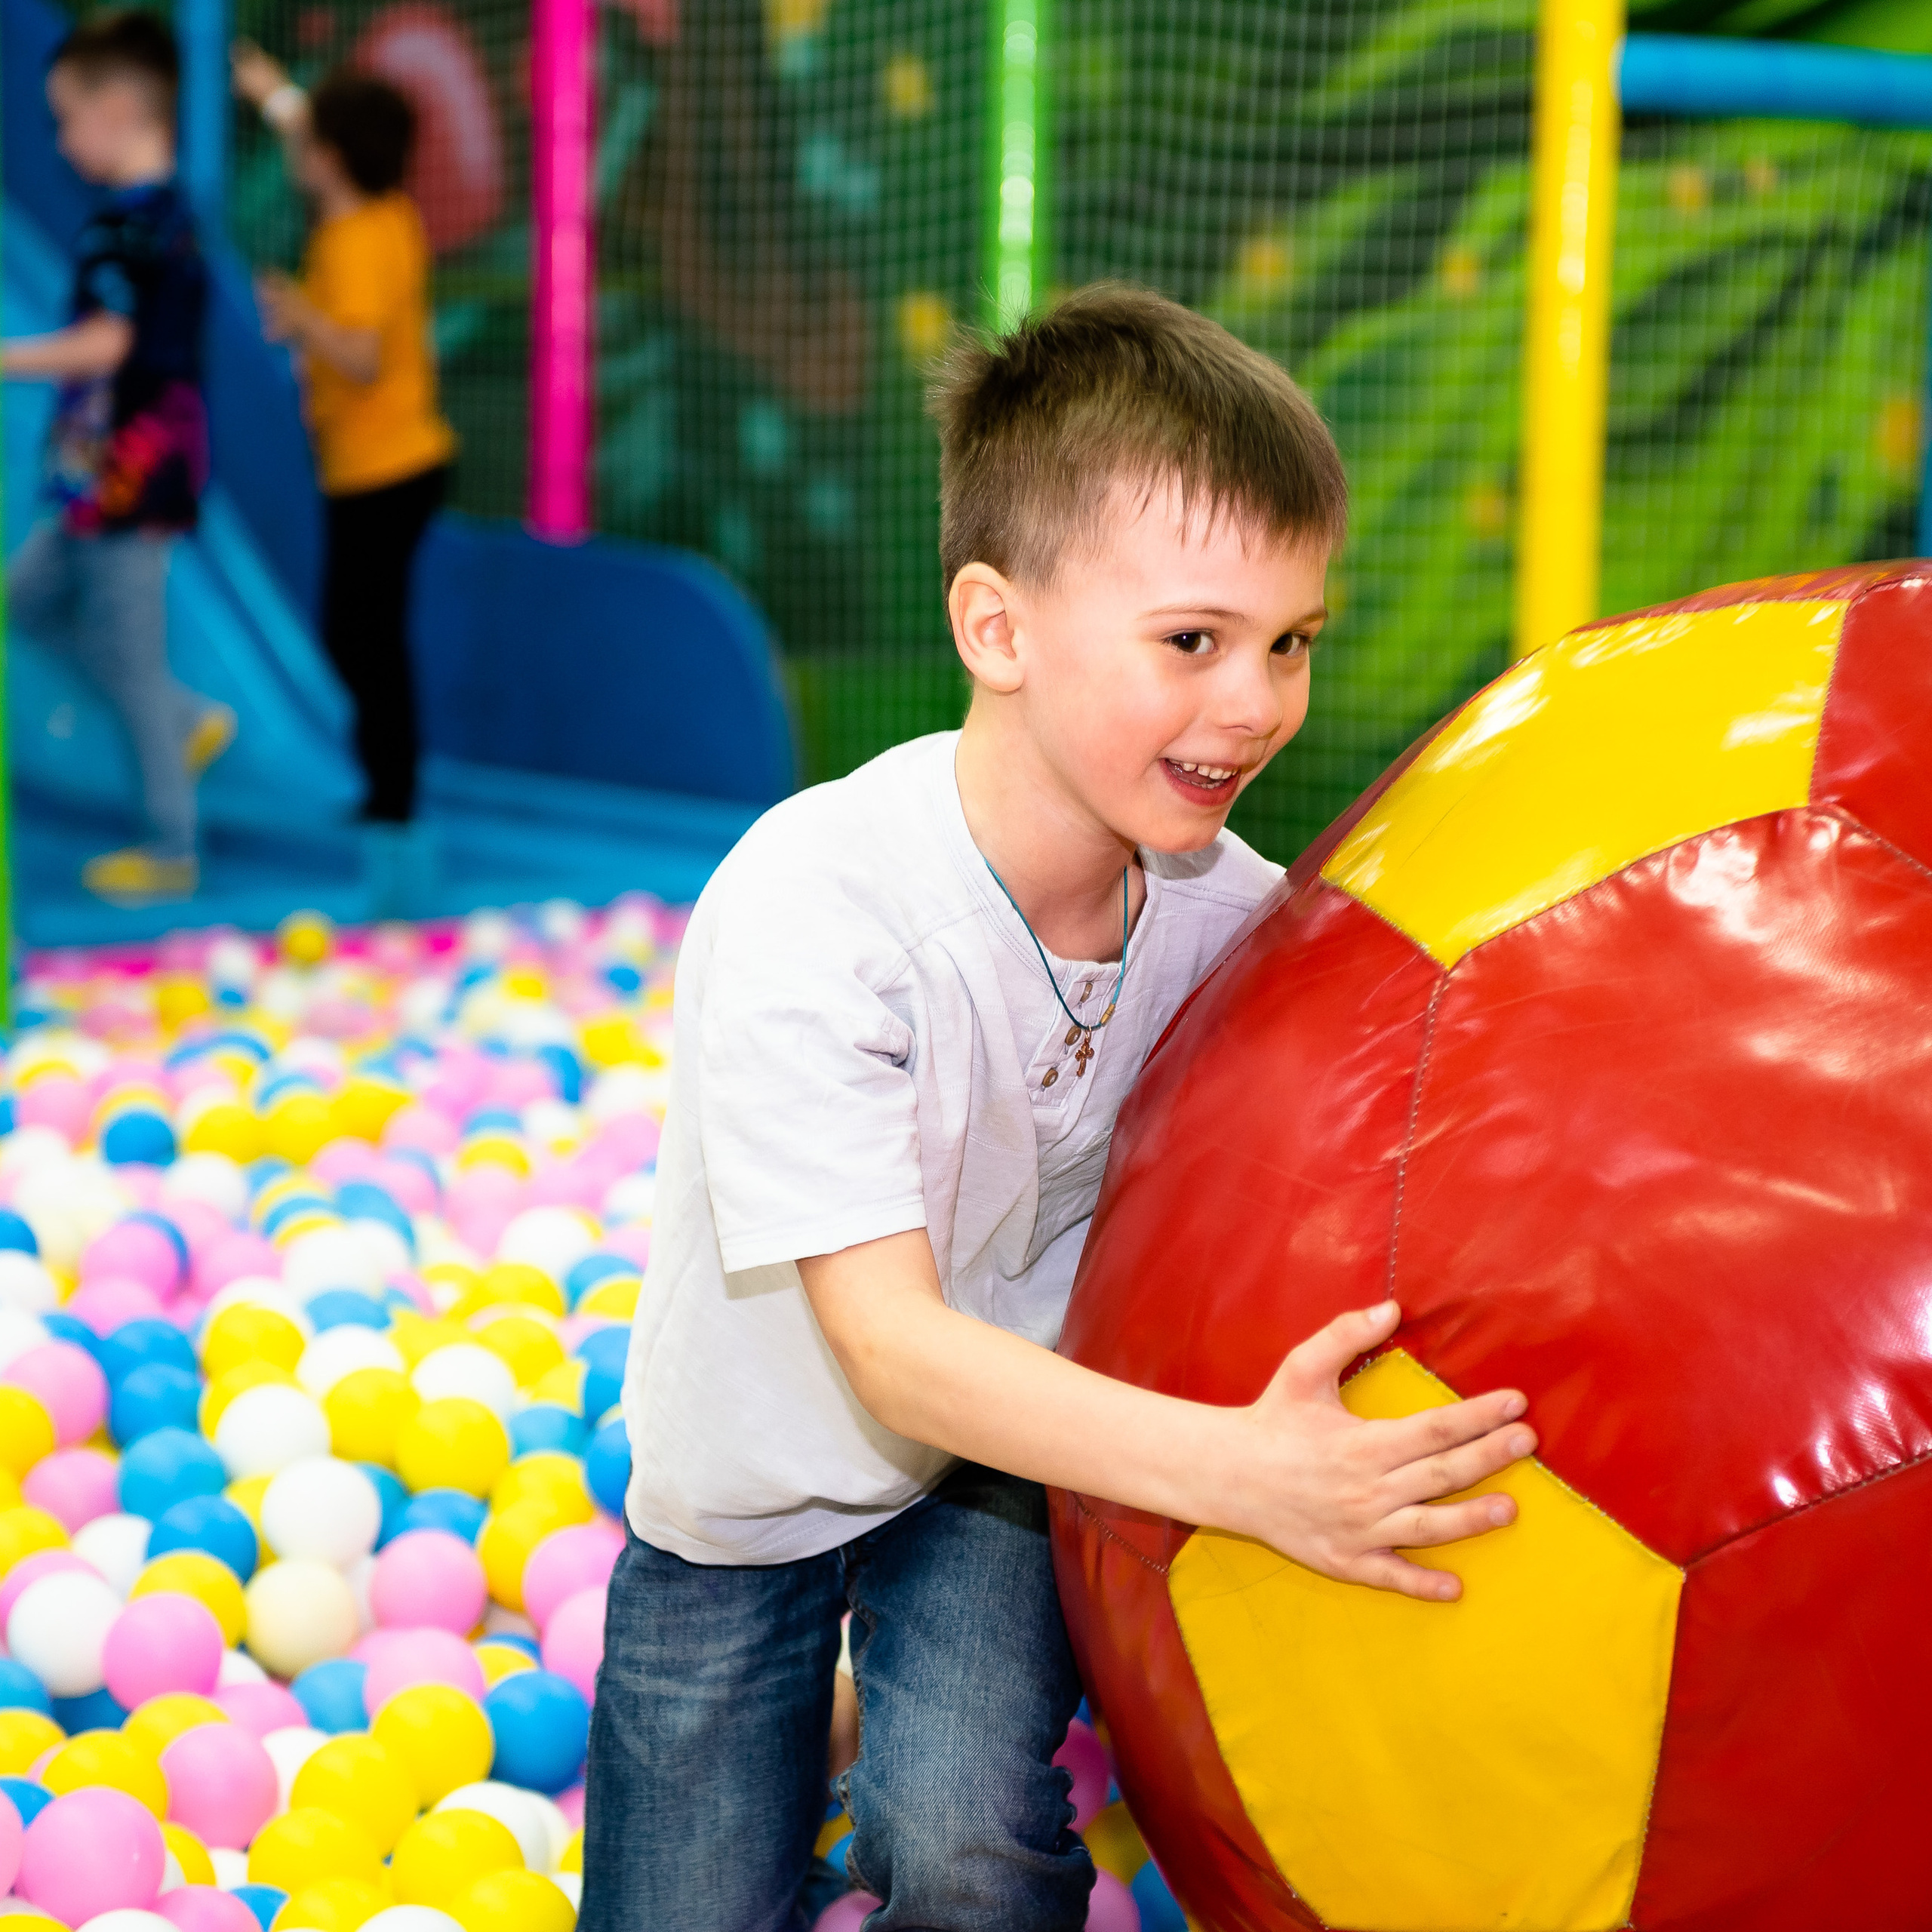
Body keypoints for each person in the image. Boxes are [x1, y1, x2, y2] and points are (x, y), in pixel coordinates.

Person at [579, 284, 1540, 1932]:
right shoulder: (817, 907)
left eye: (1292, 641)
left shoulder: (1232, 919)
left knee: (960, 1838)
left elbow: (1392, 1130)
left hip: (1016, 1463)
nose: (1256, 702)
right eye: (1193, 641)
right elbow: (888, 1351)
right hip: (759, 1478)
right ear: (998, 629)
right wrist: (1247, 1474)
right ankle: (823, 1706)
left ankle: (895, 1710)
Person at [2, 9, 234, 906]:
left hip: (131, 474)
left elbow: (109, 343)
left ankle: (172, 845)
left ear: (122, 108)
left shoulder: (133, 228)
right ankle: (180, 717)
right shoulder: (161, 219)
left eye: (68, 118)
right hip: (98, 474)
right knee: (27, 604)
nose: (62, 141)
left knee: (128, 649)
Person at [232, 45, 454, 909]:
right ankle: (385, 791)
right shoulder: (383, 211)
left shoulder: (359, 240)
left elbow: (361, 356)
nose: (298, 152)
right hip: (382, 466)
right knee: (362, 633)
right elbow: (314, 133)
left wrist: (299, 316)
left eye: (309, 142)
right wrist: (276, 96)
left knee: (367, 638)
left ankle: (392, 800)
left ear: (331, 158)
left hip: (386, 470)